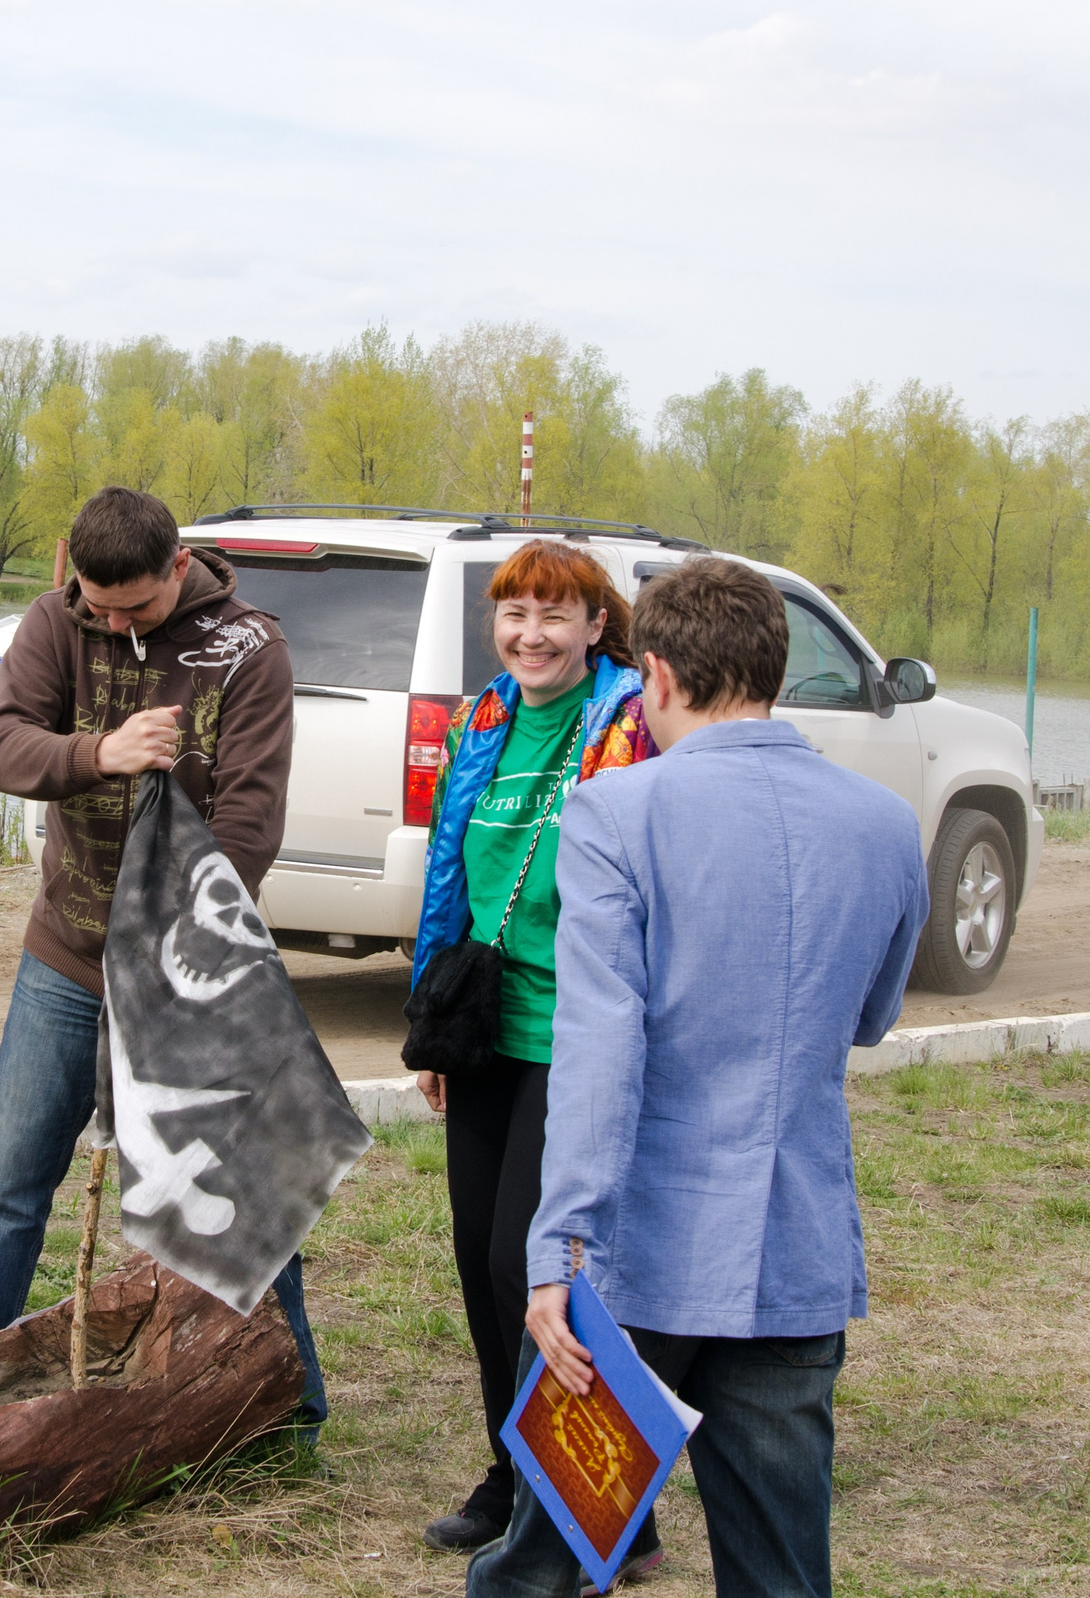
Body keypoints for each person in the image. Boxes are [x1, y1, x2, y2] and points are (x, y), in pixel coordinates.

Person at [467, 557, 930, 1598]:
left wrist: (556, 1247)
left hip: (636, 1256)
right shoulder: (886, 823)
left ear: (658, 676)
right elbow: (872, 1016)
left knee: (540, 1567)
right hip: (791, 1249)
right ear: (777, 670)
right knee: (778, 1574)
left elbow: (598, 1047)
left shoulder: (614, 812)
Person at [0, 485, 328, 1427]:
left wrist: (173, 953)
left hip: (189, 972)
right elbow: (2, 747)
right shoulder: (53, 621)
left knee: (233, 1195)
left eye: (135, 608)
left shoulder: (249, 649)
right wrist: (98, 754)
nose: (111, 621)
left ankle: (289, 1410)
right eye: (97, 604)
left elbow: (249, 819)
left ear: (179, 567)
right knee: (9, 1185)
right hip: (64, 958)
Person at [411, 540, 658, 1555]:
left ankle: (605, 1505)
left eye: (555, 614)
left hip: (578, 1034)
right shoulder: (485, 718)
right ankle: (516, 1474)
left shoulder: (632, 721)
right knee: (479, 1261)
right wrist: (429, 1019)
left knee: (538, 1267)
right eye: (513, 614)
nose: (530, 635)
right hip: (484, 1026)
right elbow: (448, 868)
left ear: (596, 625)